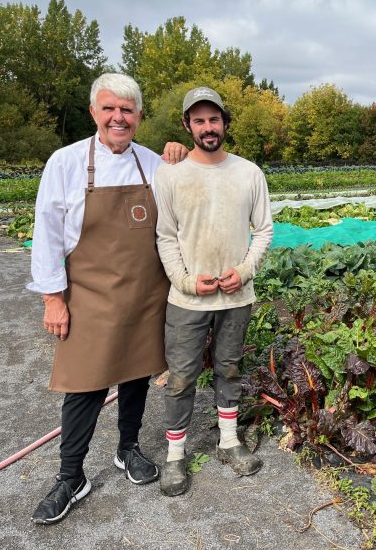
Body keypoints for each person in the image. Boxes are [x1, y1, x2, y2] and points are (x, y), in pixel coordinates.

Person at [28, 73, 186, 524]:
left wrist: (181, 154)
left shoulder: (153, 164)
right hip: (90, 296)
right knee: (85, 385)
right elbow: (47, 236)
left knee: (136, 375)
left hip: (144, 294)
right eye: (109, 108)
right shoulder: (66, 162)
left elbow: (190, 189)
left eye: (128, 110)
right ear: (94, 113)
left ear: (138, 116)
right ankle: (70, 476)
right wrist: (52, 300)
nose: (119, 117)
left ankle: (128, 448)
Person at [154, 86, 273, 496]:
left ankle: (228, 442)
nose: (208, 127)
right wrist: (186, 280)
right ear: (187, 125)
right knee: (182, 376)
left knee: (229, 368)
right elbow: (165, 237)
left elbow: (264, 230)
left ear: (225, 123)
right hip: (187, 298)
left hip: (236, 296)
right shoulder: (170, 173)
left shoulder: (248, 172)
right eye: (199, 120)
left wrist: (244, 270)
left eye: (215, 119)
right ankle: (175, 456)